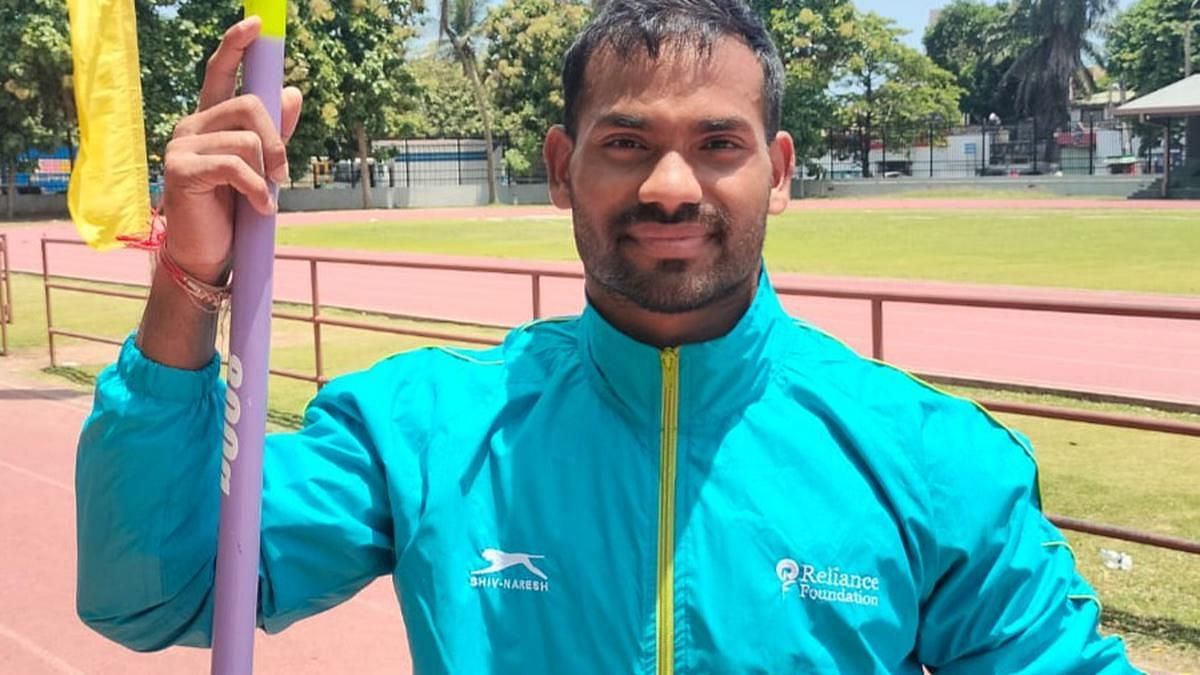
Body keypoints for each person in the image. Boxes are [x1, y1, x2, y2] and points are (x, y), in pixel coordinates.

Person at [75, 1, 1137, 672]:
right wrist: (190, 281)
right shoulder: (425, 429)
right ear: (559, 165)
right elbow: (155, 593)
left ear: (777, 167)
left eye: (716, 144)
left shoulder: (930, 458)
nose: (670, 186)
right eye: (625, 143)